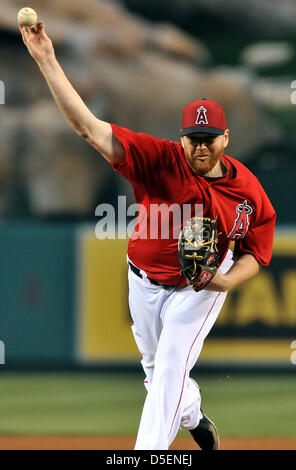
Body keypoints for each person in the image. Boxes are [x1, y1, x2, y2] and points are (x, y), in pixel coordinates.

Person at [19, 21, 276, 450]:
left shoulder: (247, 193)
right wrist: (46, 58)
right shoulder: (159, 160)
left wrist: (226, 281)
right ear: (182, 139)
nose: (200, 147)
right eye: (194, 138)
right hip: (143, 279)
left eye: (209, 139)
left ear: (225, 139)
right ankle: (191, 412)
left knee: (174, 360)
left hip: (202, 282)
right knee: (158, 377)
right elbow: (89, 128)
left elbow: (256, 250)